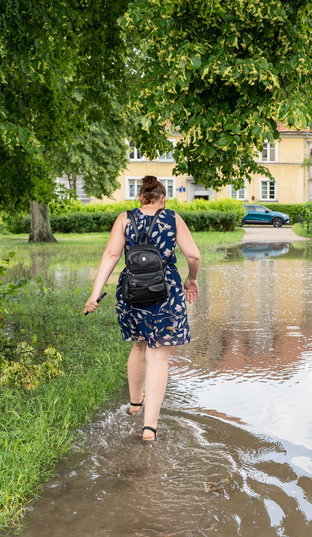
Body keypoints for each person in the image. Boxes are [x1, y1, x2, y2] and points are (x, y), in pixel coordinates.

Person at [84, 176, 201, 441]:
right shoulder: (173, 218)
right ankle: (150, 427)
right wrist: (191, 279)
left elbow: (111, 255)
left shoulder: (125, 218)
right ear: (163, 199)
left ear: (139, 197)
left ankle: (135, 404)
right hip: (166, 290)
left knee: (138, 345)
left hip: (131, 289)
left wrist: (94, 293)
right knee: (158, 355)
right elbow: (193, 255)